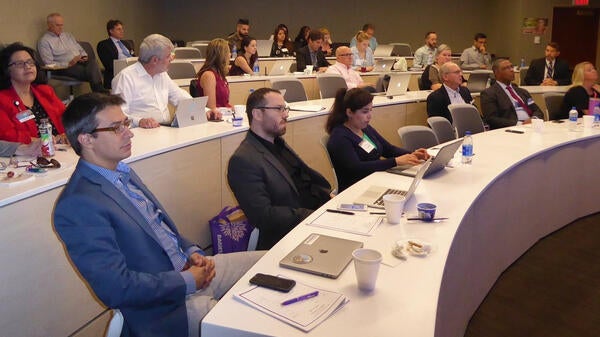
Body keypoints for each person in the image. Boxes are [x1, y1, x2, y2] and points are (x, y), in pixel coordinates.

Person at [54, 92, 263, 337]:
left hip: (191, 270)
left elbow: (162, 231)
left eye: (126, 124)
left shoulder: (122, 172)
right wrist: (187, 281)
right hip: (167, 308)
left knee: (276, 261)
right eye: (117, 128)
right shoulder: (78, 204)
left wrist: (193, 252)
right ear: (86, 139)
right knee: (260, 326)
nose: (129, 133)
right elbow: (115, 288)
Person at [227, 88, 331, 250]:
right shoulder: (243, 160)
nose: (286, 114)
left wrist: (330, 199)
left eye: (285, 108)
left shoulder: (278, 143)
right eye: (279, 109)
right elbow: (264, 216)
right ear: (257, 114)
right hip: (291, 238)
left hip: (320, 217)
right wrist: (314, 217)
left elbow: (305, 179)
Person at [326, 88, 430, 193]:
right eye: (365, 111)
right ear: (349, 112)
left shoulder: (364, 128)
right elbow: (357, 169)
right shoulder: (339, 138)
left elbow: (388, 149)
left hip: (377, 180)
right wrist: (395, 162)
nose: (369, 116)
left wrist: (413, 154)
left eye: (371, 110)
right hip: (357, 189)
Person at [112, 34, 216, 128]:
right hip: (140, 134)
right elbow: (119, 115)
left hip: (164, 130)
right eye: (168, 56)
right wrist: (139, 121)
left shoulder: (162, 75)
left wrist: (205, 111)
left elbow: (181, 98)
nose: (171, 58)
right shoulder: (126, 78)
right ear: (154, 60)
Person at [0, 43, 66, 144]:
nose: (27, 66)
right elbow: (7, 135)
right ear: (7, 70)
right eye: (20, 63)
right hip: (27, 154)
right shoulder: (2, 99)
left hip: (60, 149)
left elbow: (66, 118)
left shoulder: (45, 91)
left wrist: (66, 134)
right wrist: (43, 141)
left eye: (30, 62)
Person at [37, 13, 105, 92]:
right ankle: (101, 92)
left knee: (93, 62)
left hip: (81, 63)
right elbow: (49, 63)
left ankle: (99, 93)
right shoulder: (44, 41)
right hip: (65, 68)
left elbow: (81, 50)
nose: (61, 28)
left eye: (62, 25)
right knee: (92, 71)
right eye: (58, 25)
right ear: (49, 25)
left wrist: (83, 56)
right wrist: (68, 64)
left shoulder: (68, 36)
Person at [481, 58, 544, 129]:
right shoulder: (489, 93)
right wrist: (520, 124)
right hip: (511, 130)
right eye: (506, 68)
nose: (511, 70)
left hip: (532, 126)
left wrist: (534, 119)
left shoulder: (522, 91)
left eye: (511, 67)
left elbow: (537, 110)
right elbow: (491, 119)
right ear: (496, 73)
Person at [197, 39, 231, 119]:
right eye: (228, 52)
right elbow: (212, 109)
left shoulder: (220, 75)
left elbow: (225, 103)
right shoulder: (209, 75)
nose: (230, 55)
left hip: (224, 116)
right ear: (222, 55)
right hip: (215, 119)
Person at [97, 19, 135, 89]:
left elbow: (133, 57)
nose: (122, 31)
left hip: (132, 70)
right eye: (118, 29)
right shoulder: (103, 45)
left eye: (122, 29)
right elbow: (109, 64)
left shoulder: (127, 43)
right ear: (111, 31)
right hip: (117, 72)